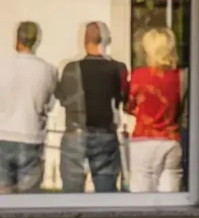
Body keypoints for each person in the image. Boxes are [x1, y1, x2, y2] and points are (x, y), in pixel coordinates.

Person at [57, 22, 127, 193]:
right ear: (105, 41)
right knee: (106, 194)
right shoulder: (117, 68)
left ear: (84, 41)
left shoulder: (70, 69)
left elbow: (62, 98)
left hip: (75, 133)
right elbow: (121, 99)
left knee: (71, 196)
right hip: (105, 134)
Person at [0, 22, 58, 194]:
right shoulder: (49, 70)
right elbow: (50, 104)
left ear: (17, 40)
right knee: (28, 200)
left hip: (3, 134)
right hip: (32, 136)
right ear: (36, 41)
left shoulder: (2, 66)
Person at [126, 27, 185, 193]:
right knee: (171, 199)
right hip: (171, 140)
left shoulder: (140, 75)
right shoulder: (180, 77)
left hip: (144, 139)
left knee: (142, 199)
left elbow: (130, 106)